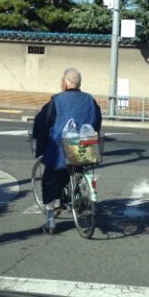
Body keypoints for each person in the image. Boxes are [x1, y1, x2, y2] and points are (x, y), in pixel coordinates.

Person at [32, 67, 102, 233]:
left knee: (50, 179)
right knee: (76, 171)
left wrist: (39, 147)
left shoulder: (56, 101)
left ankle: (50, 221)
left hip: (61, 151)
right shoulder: (90, 100)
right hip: (85, 147)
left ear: (64, 83)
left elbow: (42, 124)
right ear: (79, 84)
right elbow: (97, 122)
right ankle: (80, 199)